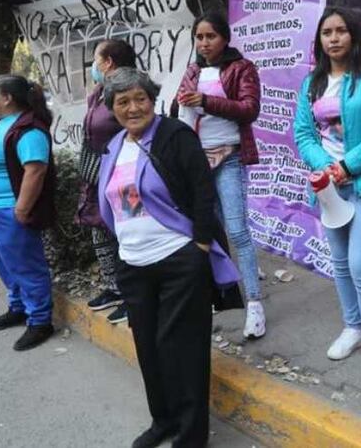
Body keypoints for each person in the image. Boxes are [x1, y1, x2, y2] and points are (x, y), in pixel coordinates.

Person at [99, 68, 243, 448]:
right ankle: (162, 421)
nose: (133, 108)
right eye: (123, 102)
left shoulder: (173, 135)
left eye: (140, 99)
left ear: (152, 99)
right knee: (148, 346)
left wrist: (198, 245)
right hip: (133, 263)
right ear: (112, 108)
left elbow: (201, 190)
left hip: (178, 260)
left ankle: (191, 435)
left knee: (183, 348)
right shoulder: (114, 146)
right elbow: (111, 203)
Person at [293, 7, 361, 393]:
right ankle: (353, 328)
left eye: (341, 31)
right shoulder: (312, 82)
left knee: (360, 264)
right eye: (326, 32)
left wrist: (349, 164)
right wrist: (327, 167)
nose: (333, 38)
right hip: (328, 186)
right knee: (339, 261)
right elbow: (304, 133)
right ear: (319, 40)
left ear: (353, 35)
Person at [174, 12, 266, 339]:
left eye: (210, 36)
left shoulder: (241, 68)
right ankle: (225, 295)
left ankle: (255, 304)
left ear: (224, 38)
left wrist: (206, 101)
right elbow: (180, 113)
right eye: (199, 37)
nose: (204, 43)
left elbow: (249, 109)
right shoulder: (192, 71)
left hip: (229, 156)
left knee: (238, 230)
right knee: (210, 230)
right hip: (198, 163)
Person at [0, 75, 57, 352]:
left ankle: (40, 321)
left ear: (7, 98)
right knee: (6, 263)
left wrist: (21, 210)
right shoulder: (4, 124)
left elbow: (36, 170)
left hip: (9, 211)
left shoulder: (29, 129)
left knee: (27, 266)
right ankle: (18, 308)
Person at [76, 38, 138, 324]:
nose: (93, 65)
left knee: (127, 232)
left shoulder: (129, 90)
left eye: (96, 59)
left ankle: (134, 296)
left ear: (109, 62)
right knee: (99, 231)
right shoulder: (99, 92)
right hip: (97, 174)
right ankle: (114, 288)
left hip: (125, 175)